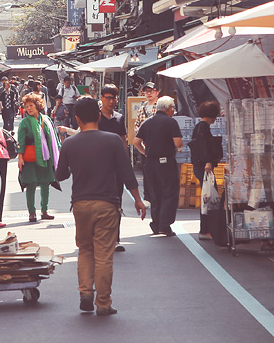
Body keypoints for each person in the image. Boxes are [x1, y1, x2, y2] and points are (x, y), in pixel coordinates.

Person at [55, 96, 146, 316]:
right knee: (104, 255)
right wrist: (138, 199)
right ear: (97, 116)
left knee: (85, 250)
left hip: (80, 204)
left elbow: (61, 175)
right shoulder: (113, 140)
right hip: (107, 203)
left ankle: (85, 292)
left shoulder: (69, 143)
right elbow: (127, 173)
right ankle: (103, 303)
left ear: (76, 119)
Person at [132, 96, 183, 236]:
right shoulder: (171, 122)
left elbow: (136, 141)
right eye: (173, 107)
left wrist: (145, 153)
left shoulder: (147, 122)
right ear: (168, 108)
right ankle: (164, 225)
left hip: (150, 163)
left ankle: (156, 224)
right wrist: (178, 148)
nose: (174, 111)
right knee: (169, 192)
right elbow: (178, 143)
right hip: (166, 162)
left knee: (155, 194)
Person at [15, 92, 59, 222]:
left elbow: (53, 139)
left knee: (46, 183)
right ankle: (32, 212)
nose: (28, 108)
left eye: (31, 105)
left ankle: (44, 210)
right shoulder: (24, 123)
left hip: (45, 156)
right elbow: (20, 142)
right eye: (26, 106)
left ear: (37, 105)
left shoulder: (46, 120)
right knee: (31, 184)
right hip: (29, 158)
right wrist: (20, 157)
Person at [97, 83, 128, 252]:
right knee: (100, 204)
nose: (111, 101)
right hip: (99, 169)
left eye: (114, 98)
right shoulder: (96, 118)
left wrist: (125, 163)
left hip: (116, 168)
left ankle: (115, 239)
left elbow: (123, 140)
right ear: (101, 98)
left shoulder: (119, 118)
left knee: (116, 203)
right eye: (108, 98)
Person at [190, 99, 225, 243]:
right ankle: (205, 229)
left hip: (200, 165)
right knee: (209, 198)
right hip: (204, 166)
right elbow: (203, 146)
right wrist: (208, 161)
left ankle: (206, 229)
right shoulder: (203, 127)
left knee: (208, 197)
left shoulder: (200, 126)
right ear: (213, 115)